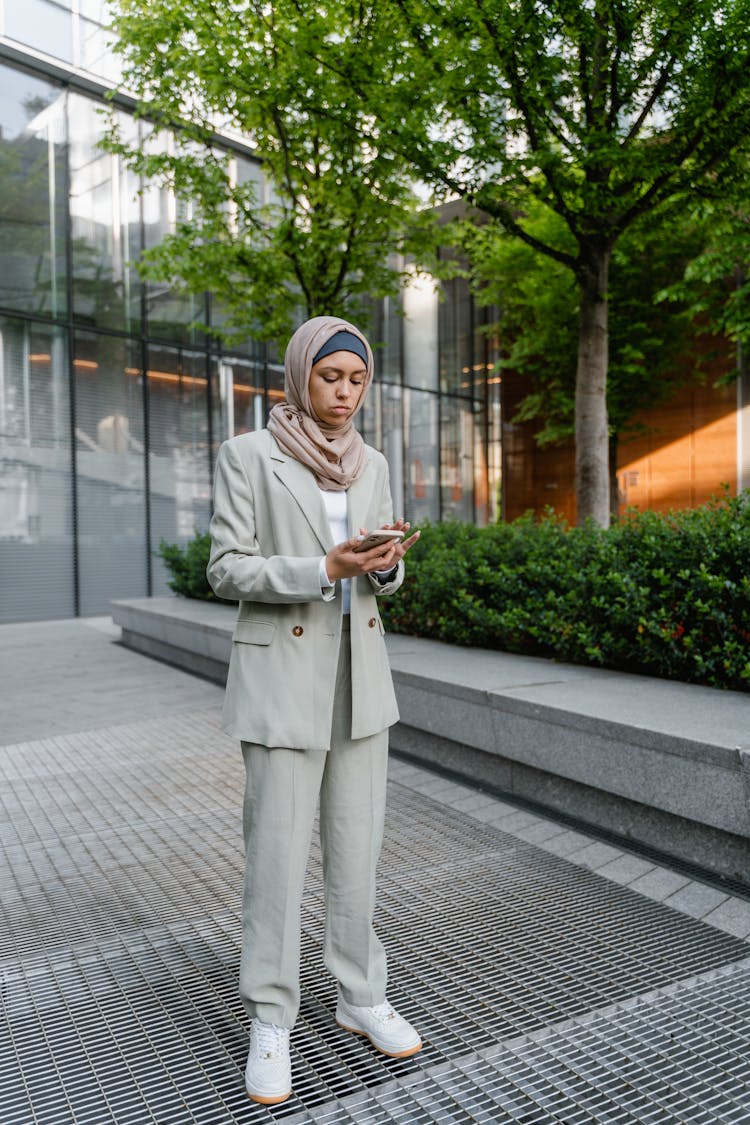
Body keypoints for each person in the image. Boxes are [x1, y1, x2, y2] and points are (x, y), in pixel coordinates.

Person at [206, 315, 422, 1106]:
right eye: (332, 377)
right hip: (280, 682)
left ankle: (361, 993)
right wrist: (322, 567)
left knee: (357, 848)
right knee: (276, 857)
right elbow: (226, 567)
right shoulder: (248, 455)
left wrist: (386, 565)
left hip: (359, 678)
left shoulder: (373, 461)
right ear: (301, 375)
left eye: (358, 379)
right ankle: (272, 1016)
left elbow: (378, 577)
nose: (345, 393)